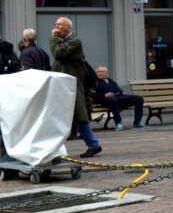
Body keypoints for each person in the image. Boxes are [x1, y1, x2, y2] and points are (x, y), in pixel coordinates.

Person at [50, 17, 102, 158]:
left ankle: (94, 144)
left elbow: (57, 53)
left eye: (60, 25)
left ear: (68, 27)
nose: (57, 27)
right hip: (63, 85)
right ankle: (54, 148)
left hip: (71, 85)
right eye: (56, 25)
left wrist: (53, 38)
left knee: (79, 115)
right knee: (63, 117)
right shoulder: (64, 41)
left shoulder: (75, 41)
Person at [93, 66, 146, 130]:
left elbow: (118, 89)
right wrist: (104, 95)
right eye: (98, 72)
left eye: (102, 72)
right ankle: (119, 123)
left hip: (119, 97)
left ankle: (137, 123)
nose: (100, 73)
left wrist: (121, 93)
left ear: (106, 73)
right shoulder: (95, 83)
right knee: (113, 100)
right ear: (96, 73)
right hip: (106, 100)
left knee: (139, 99)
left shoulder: (110, 81)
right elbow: (93, 96)